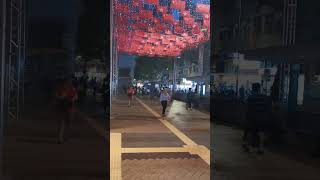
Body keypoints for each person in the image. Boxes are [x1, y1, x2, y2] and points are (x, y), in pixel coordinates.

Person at [243, 83, 271, 154]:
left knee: (250, 132)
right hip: (262, 118)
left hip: (253, 118)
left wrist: (247, 118)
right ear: (259, 88)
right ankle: (261, 148)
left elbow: (248, 109)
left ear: (252, 89)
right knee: (261, 133)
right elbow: (268, 108)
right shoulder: (265, 97)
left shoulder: (250, 97)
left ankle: (248, 147)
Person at [55, 78, 78, 144]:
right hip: (65, 107)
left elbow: (76, 96)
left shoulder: (71, 88)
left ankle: (63, 137)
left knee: (66, 123)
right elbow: (56, 96)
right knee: (63, 123)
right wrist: (63, 97)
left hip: (68, 107)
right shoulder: (61, 88)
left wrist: (70, 98)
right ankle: (61, 138)